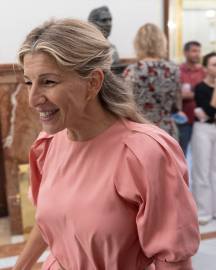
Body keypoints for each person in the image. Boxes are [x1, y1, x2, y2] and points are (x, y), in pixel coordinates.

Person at [13, 18, 200, 270]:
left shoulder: (144, 153)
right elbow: (50, 221)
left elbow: (172, 261)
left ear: (93, 83)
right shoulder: (47, 144)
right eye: (28, 82)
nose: (32, 99)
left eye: (48, 82)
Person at [123, 23, 185, 141]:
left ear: (138, 44)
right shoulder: (173, 69)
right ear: (162, 43)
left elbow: (126, 106)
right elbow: (177, 105)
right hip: (167, 130)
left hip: (141, 131)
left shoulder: (132, 70)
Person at [191, 52, 216, 225]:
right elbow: (209, 112)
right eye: (214, 64)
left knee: (215, 172)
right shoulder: (200, 87)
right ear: (206, 68)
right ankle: (203, 213)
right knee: (201, 172)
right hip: (203, 130)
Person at [179, 41, 205, 156]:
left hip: (202, 120)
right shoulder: (178, 71)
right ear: (186, 52)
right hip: (184, 120)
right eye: (194, 51)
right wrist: (199, 92)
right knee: (181, 152)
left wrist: (190, 93)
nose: (197, 54)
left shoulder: (203, 71)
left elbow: (209, 92)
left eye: (198, 51)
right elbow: (177, 95)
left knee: (201, 154)